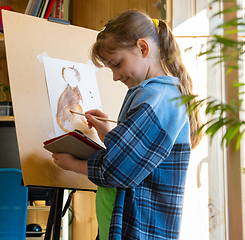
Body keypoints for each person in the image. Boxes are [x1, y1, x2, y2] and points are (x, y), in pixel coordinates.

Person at [52, 9, 202, 240]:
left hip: (138, 230)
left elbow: (117, 171)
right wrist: (110, 134)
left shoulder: (158, 99)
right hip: (123, 225)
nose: (114, 76)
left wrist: (73, 164)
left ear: (143, 48)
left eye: (117, 64)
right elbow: (138, 156)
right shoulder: (152, 94)